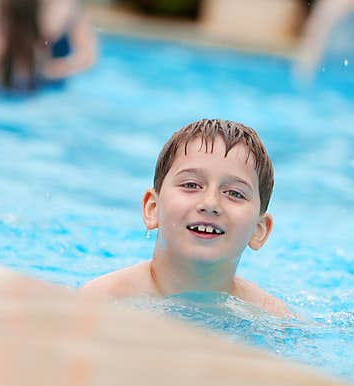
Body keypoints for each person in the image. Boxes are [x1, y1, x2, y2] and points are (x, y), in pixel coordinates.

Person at [79, 118, 293, 318]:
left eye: (234, 193)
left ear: (259, 230)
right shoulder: (102, 300)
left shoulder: (270, 315)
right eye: (191, 185)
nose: (210, 204)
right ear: (152, 208)